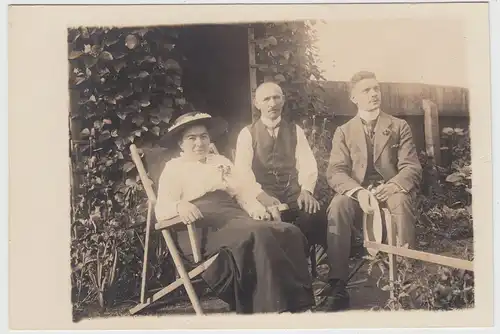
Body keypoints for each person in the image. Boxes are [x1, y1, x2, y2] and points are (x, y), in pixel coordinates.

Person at [154, 111, 315, 314]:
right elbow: (161, 209)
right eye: (191, 138)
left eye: (204, 136)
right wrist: (179, 206)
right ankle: (273, 309)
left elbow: (242, 193)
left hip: (234, 216)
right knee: (259, 234)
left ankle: (299, 305)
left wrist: (257, 209)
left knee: (289, 231)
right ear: (180, 143)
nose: (199, 143)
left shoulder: (220, 161)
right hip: (201, 227)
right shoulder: (174, 168)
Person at [320, 70, 423, 309]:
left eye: (376, 88)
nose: (374, 93)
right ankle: (337, 282)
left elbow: (411, 167)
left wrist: (393, 184)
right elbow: (335, 171)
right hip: (359, 195)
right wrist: (358, 192)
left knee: (400, 199)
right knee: (338, 205)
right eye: (366, 90)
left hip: (390, 191)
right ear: (354, 98)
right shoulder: (344, 132)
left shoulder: (399, 126)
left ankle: (405, 278)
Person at [234, 82, 340, 307]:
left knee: (314, 216)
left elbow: (307, 164)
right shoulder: (247, 134)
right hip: (263, 195)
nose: (272, 103)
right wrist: (260, 196)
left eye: (276, 98)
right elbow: (241, 172)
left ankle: (324, 281)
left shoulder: (295, 131)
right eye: (266, 99)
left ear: (283, 100)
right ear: (257, 104)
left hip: (293, 192)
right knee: (271, 227)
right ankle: (282, 286)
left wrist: (306, 190)